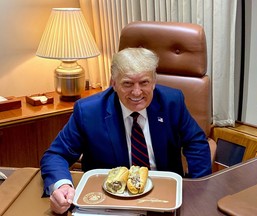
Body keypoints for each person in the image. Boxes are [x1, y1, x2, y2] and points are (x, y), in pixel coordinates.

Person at [40, 47, 212, 214]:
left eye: (144, 82)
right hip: (109, 200)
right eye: (127, 84)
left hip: (163, 198)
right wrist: (62, 186)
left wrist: (197, 191)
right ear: (113, 83)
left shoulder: (172, 102)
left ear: (154, 81)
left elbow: (196, 143)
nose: (137, 92)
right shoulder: (88, 111)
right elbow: (56, 155)